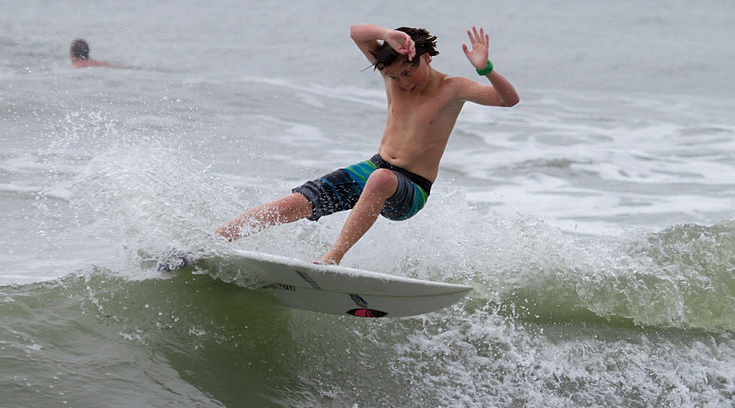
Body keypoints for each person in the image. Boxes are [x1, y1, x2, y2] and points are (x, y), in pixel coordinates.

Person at [214, 24, 519, 265]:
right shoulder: (392, 77)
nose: (403, 82)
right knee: (295, 202)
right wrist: (387, 35)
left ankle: (331, 260)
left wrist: (486, 69)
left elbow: (508, 100)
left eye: (408, 72)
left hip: (411, 189)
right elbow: (356, 33)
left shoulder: (453, 88)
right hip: (375, 168)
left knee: (381, 178)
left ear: (426, 57)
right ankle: (214, 240)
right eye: (394, 77)